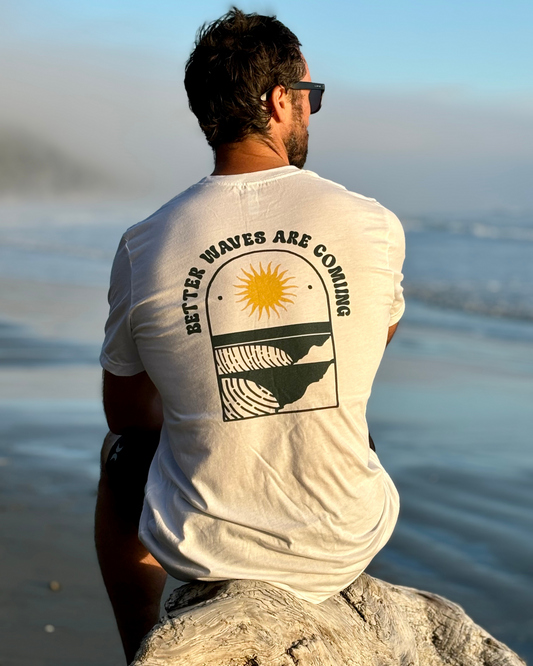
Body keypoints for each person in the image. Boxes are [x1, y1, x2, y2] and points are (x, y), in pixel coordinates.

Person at [95, 8, 405, 663]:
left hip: (203, 548)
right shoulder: (374, 223)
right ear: (278, 100)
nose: (310, 115)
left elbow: (125, 413)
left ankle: (140, 646)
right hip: (348, 535)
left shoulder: (145, 243)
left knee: (120, 458)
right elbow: (366, 353)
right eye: (309, 99)